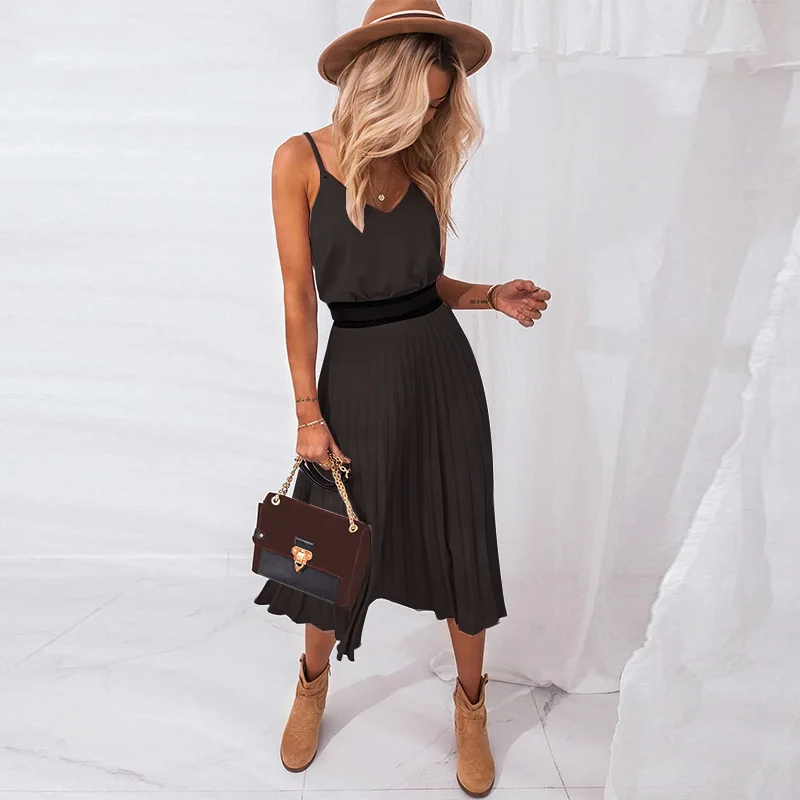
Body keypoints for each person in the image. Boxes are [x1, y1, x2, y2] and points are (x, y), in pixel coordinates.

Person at [254, 1, 550, 795]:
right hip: (353, 375)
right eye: (428, 90)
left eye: (444, 97)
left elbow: (423, 285)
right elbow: (298, 297)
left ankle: (471, 707)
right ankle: (312, 685)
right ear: (385, 75)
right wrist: (307, 414)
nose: (436, 109)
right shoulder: (299, 160)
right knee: (327, 542)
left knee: (460, 534)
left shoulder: (423, 165)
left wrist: (491, 296)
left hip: (440, 373)